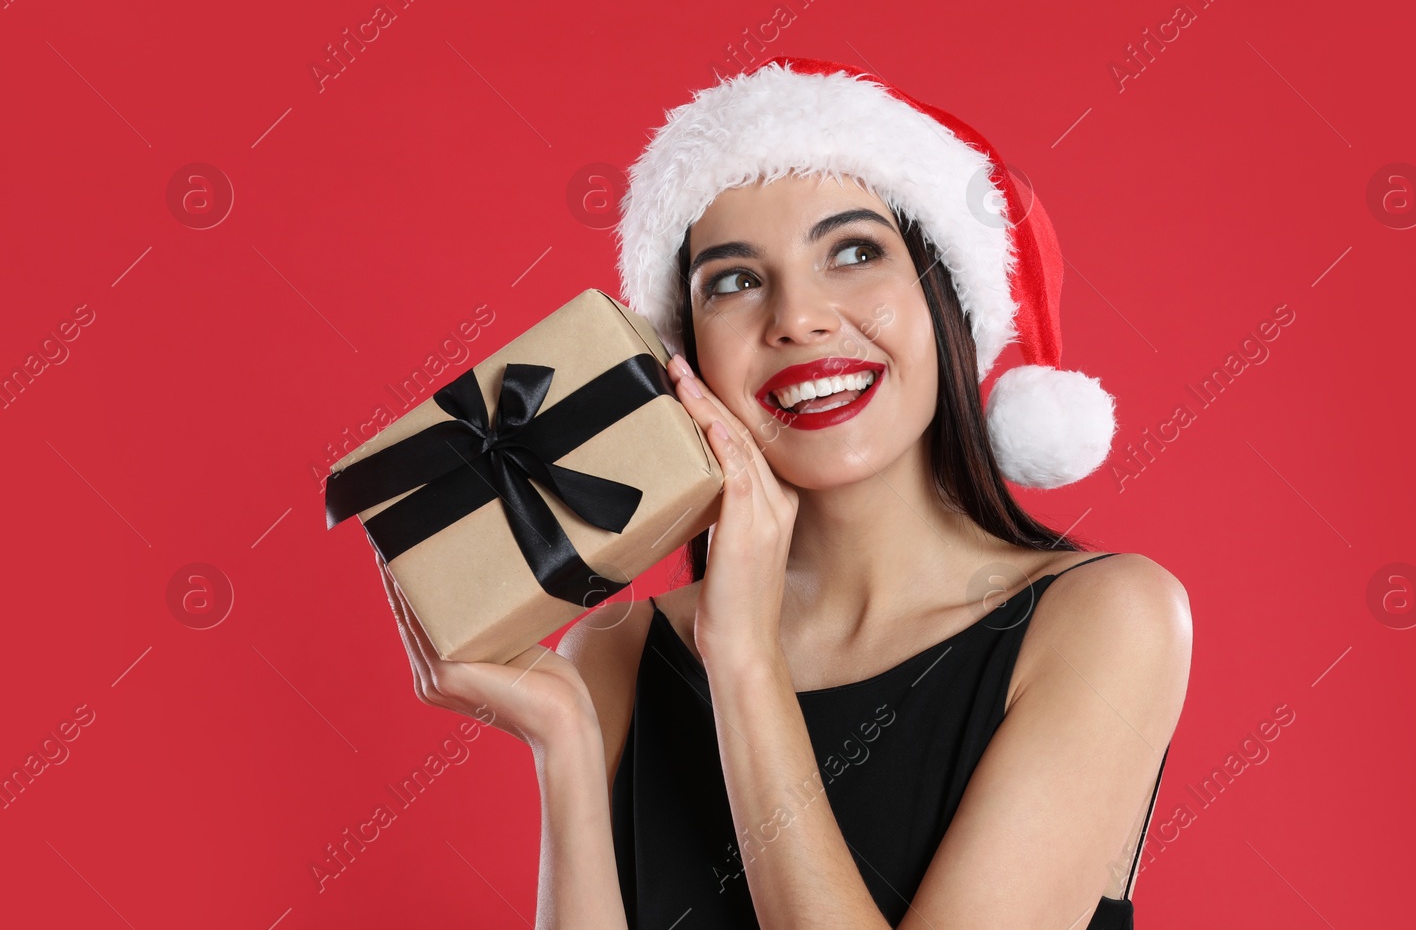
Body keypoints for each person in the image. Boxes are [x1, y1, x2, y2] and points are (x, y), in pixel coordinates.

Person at [379, 57, 1192, 928]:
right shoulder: (615, 655)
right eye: (732, 280)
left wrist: (744, 658)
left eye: (853, 252)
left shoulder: (1110, 618)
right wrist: (566, 748)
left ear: (944, 299)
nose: (797, 316)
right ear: (686, 355)